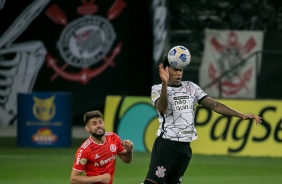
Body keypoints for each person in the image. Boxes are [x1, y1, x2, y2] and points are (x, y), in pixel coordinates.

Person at [142, 53, 262, 184]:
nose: (179, 73)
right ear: (166, 70)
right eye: (175, 69)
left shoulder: (191, 87)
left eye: (180, 70)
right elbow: (162, 108)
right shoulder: (157, 89)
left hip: (185, 149)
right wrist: (165, 84)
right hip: (166, 145)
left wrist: (240, 115)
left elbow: (214, 104)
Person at [70, 110, 134, 184]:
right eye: (94, 124)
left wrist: (129, 151)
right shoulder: (84, 150)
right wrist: (99, 178)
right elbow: (73, 179)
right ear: (87, 128)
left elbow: (126, 160)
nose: (99, 125)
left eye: (100, 122)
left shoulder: (113, 138)